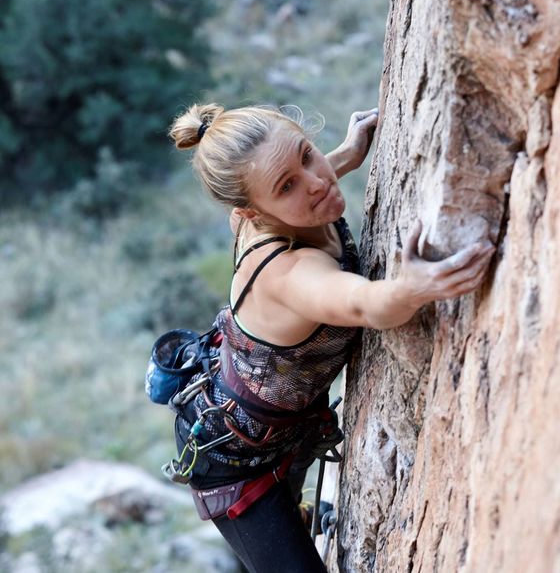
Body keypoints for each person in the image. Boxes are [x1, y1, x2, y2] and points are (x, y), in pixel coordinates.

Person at [166, 103, 495, 572]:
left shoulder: (270, 207)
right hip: (235, 463)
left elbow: (297, 180)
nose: (317, 182)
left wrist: (345, 154)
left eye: (307, 154)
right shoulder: (288, 274)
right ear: (252, 213)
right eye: (287, 186)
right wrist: (413, 288)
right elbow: (364, 304)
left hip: (277, 423)